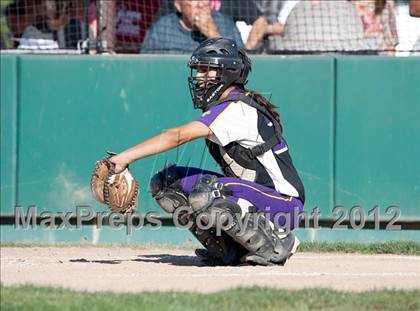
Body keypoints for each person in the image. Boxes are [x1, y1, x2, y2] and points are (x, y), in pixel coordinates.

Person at [110, 37, 304, 266]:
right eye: (199, 70)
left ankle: (278, 241)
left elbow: (177, 136)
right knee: (167, 183)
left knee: (209, 193)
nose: (200, 77)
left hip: (284, 204)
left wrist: (124, 158)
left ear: (228, 72)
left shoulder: (237, 108)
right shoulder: (226, 107)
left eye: (206, 70)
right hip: (250, 196)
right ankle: (229, 250)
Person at [141, 0, 243, 53]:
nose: (201, 4)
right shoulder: (162, 28)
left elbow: (240, 61)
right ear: (178, 5)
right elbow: (146, 63)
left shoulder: (225, 24)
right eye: (194, 0)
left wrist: (213, 34)